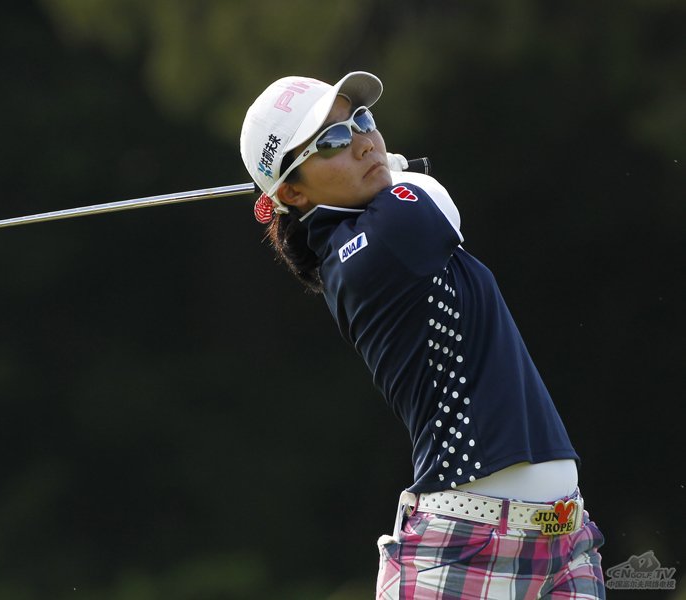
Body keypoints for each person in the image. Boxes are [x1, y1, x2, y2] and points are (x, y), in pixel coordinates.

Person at [239, 72, 606, 599]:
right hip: (462, 547)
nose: (365, 142)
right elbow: (434, 201)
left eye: (361, 120)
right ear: (292, 191)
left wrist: (390, 175)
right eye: (334, 141)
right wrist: (396, 173)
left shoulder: (379, 228)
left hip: (566, 542)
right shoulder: (366, 252)